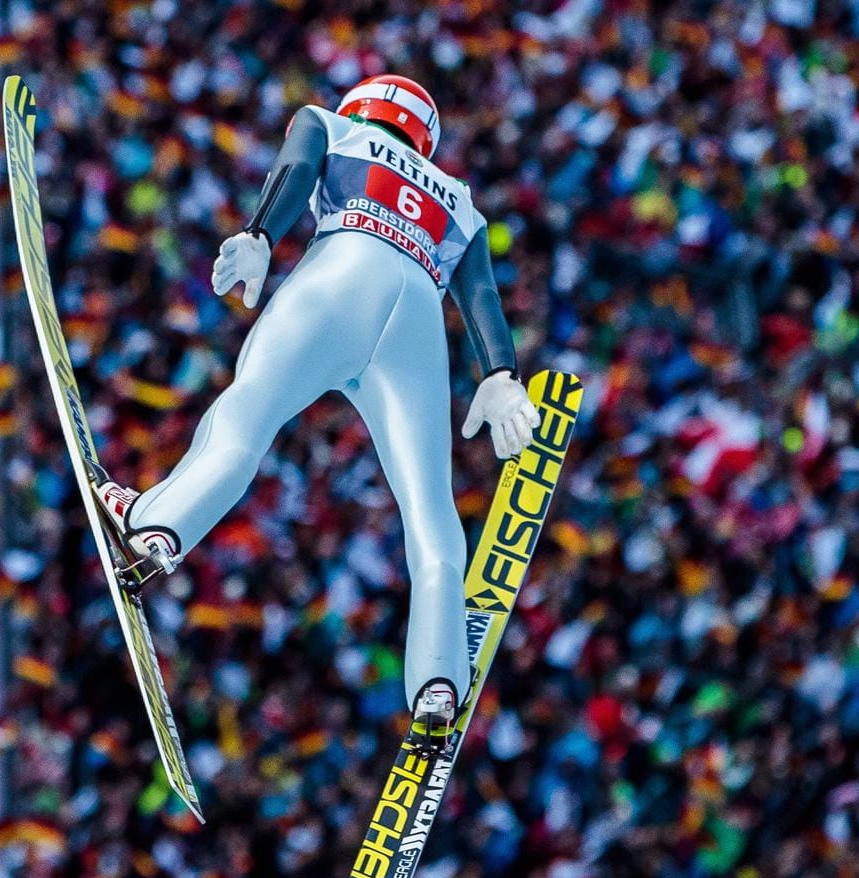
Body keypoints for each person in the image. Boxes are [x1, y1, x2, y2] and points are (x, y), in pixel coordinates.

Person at [92, 75, 540, 753]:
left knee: (248, 413)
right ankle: (438, 683)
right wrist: (501, 375)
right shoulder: (460, 201)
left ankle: (159, 527)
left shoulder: (333, 124)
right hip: (415, 314)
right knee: (429, 509)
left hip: (341, 274)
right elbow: (479, 294)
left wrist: (259, 235)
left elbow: (297, 168)